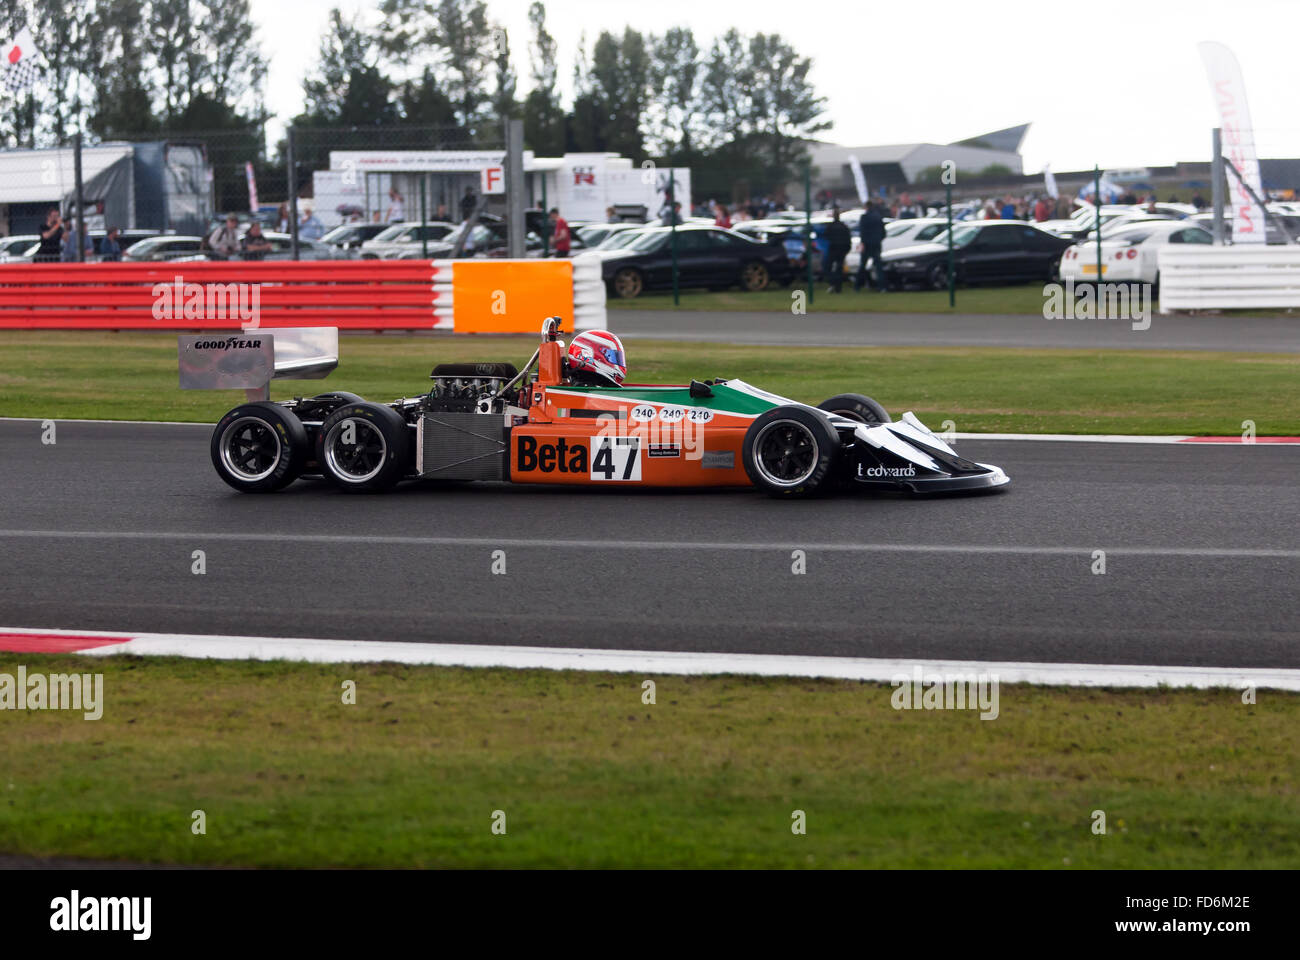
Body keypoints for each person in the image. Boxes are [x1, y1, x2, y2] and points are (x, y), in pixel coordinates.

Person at [855, 201, 886, 292]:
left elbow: (862, 232)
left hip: (867, 244)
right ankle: (882, 287)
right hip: (876, 244)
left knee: (862, 265)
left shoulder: (864, 217)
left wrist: (863, 243)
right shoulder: (878, 217)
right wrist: (878, 239)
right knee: (878, 266)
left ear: (866, 207)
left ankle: (857, 286)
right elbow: (883, 232)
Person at [824, 208, 851, 293]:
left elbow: (826, 236)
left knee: (828, 267)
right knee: (839, 268)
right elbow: (848, 239)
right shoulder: (844, 226)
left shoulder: (830, 226)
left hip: (833, 249)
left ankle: (833, 282)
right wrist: (847, 249)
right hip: (842, 250)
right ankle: (838, 287)